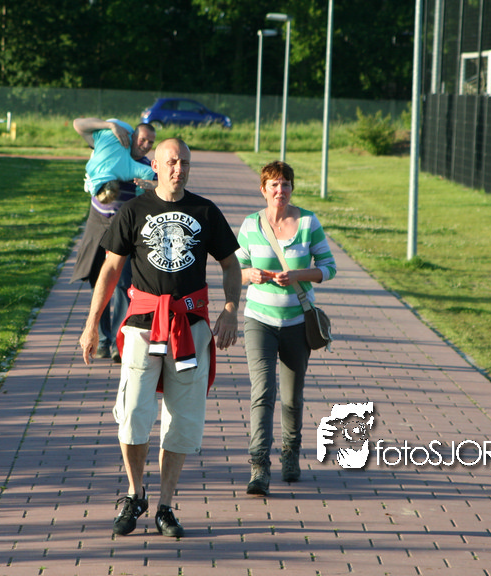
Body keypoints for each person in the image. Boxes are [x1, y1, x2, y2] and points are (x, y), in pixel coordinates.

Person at [79, 138, 241, 538]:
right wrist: (91, 323)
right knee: (133, 413)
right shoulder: (134, 210)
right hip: (142, 324)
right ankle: (135, 494)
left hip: (190, 326)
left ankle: (166, 505)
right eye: (171, 161)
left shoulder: (205, 211)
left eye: (184, 162)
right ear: (155, 165)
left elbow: (230, 265)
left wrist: (230, 309)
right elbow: (110, 270)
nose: (178, 168)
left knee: (182, 419)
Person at [235, 160, 336, 496]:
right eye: (274, 185)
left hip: (296, 322)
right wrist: (250, 274)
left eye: (286, 184)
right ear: (263, 190)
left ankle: (290, 454)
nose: (280, 190)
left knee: (292, 398)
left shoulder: (308, 222)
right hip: (259, 321)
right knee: (263, 392)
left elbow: (328, 267)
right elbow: (235, 269)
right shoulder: (251, 224)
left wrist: (297, 275)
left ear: (292, 188)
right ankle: (259, 465)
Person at [70, 118, 156, 361]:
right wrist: (110, 126)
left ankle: (119, 342)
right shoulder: (112, 146)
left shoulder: (145, 167)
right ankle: (103, 339)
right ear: (132, 137)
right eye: (143, 139)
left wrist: (150, 185)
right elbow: (79, 125)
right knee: (97, 280)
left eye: (150, 142)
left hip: (125, 232)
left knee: (122, 284)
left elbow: (162, 188)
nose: (146, 145)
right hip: (97, 224)